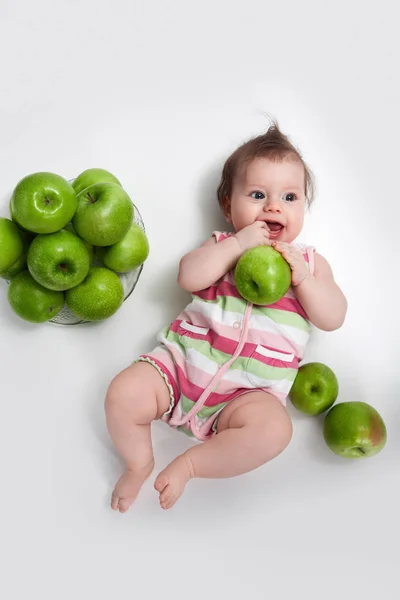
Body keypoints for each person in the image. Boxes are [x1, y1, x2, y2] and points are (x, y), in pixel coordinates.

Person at [105, 121, 348, 512]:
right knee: (122, 394)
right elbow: (189, 276)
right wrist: (236, 244)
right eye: (257, 195)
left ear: (303, 207)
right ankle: (138, 462)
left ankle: (191, 465)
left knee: (275, 431)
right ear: (228, 207)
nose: (273, 207)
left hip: (245, 397)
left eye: (289, 197)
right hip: (179, 369)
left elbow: (333, 315)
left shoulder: (309, 264)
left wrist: (303, 281)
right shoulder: (223, 247)